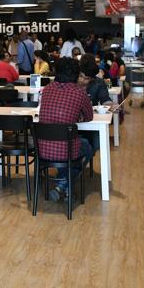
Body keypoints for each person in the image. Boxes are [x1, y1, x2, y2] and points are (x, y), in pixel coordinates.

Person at [38, 57, 93, 202]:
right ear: (76, 74)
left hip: (42, 149)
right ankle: (63, 185)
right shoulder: (79, 92)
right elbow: (89, 116)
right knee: (86, 146)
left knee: (66, 144)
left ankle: (62, 186)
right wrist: (77, 116)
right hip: (66, 149)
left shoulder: (47, 89)